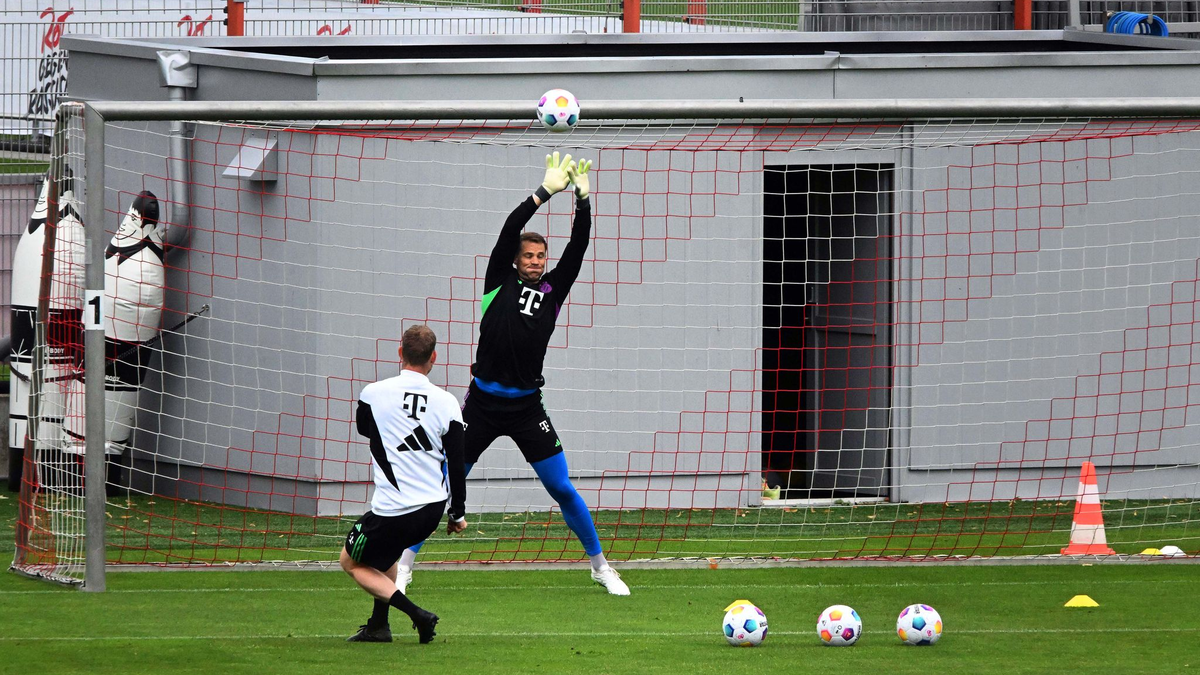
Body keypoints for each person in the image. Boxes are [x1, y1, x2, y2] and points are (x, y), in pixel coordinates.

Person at [396, 152, 630, 596]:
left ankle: (600, 566)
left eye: (541, 256)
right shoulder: (496, 283)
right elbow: (508, 230)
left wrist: (583, 200)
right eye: (529, 255)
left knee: (561, 486)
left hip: (525, 408)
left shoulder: (554, 291)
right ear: (516, 258)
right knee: (442, 486)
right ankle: (405, 566)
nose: (536, 261)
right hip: (482, 405)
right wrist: (544, 193)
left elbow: (578, 248)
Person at [340, 324, 468, 643]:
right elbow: (456, 461)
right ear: (433, 357)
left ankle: (417, 615)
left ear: (400, 353)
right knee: (388, 556)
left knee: (350, 561)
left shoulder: (372, 394)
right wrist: (457, 514)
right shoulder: (448, 402)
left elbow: (365, 430)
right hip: (431, 511)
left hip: (394, 509)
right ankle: (378, 626)